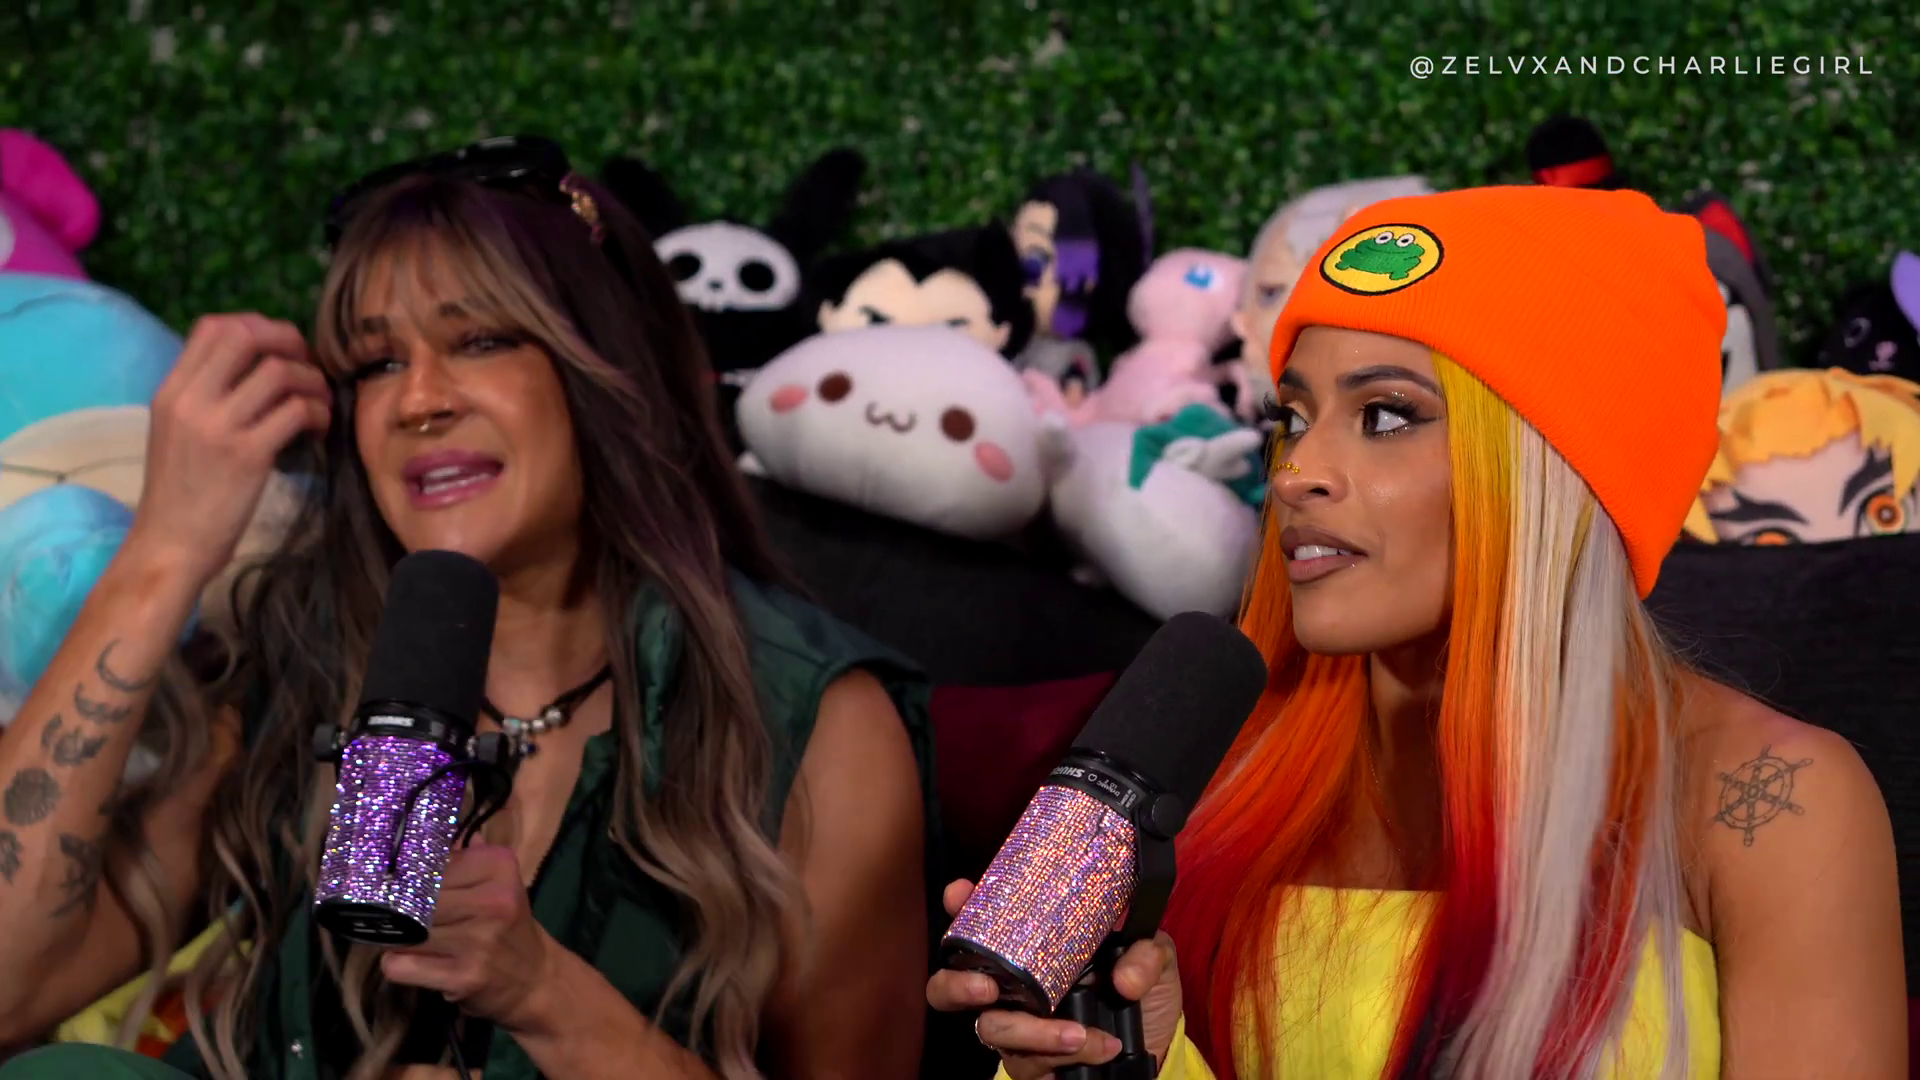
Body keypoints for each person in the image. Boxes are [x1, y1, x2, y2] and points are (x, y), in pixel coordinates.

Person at [0, 135, 935, 1080]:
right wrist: (163, 553)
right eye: (374, 363)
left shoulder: (813, 724)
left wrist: (544, 995)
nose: (418, 402)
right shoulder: (311, 657)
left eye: (481, 340)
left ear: (609, 368)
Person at [930, 186, 1908, 1078]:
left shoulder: (1775, 806)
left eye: (1388, 415)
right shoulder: (1220, 776)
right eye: (1293, 417)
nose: (1297, 472)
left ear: (1556, 471)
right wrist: (1118, 1061)